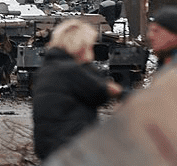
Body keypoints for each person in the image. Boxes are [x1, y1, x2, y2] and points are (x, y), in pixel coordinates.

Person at [32, 18, 122, 160]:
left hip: (51, 148)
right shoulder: (70, 70)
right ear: (81, 47)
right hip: (70, 148)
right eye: (90, 46)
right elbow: (100, 92)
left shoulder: (49, 69)